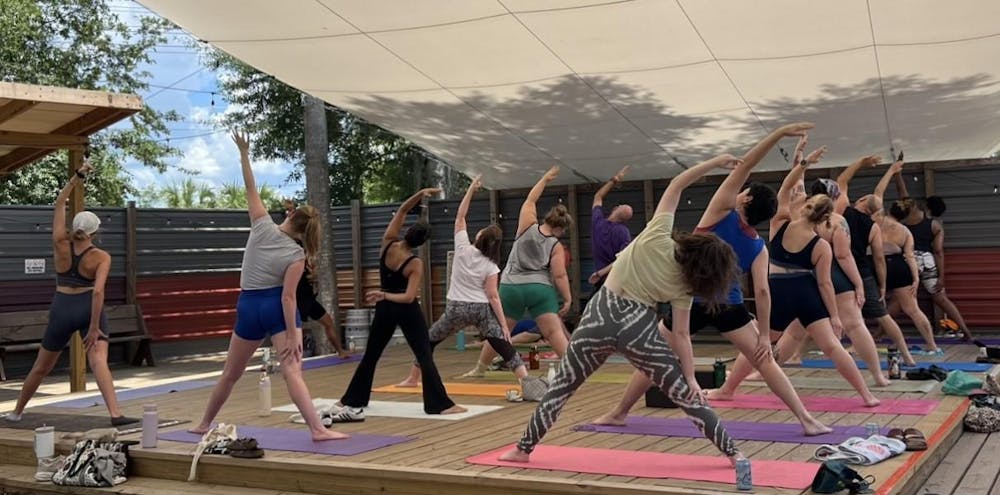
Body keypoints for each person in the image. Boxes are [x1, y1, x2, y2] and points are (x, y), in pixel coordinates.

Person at [499, 153, 748, 467]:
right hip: (638, 328)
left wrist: (714, 163)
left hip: (600, 315)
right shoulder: (686, 286)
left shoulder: (657, 234)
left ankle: (523, 449)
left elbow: (677, 184)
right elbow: (682, 336)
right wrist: (691, 379)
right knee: (684, 395)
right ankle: (733, 452)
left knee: (562, 388)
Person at [594, 123, 832, 436]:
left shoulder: (720, 211)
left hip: (688, 299)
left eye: (744, 192)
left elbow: (746, 164)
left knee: (655, 358)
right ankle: (806, 419)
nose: (741, 192)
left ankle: (618, 412)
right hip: (727, 306)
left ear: (745, 201)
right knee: (765, 362)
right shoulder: (758, 247)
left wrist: (778, 134)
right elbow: (761, 291)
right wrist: (763, 335)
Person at [190, 131, 346, 441]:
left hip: (248, 306)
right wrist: (291, 334)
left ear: (290, 216)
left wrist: (244, 154)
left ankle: (203, 423)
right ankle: (318, 429)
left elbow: (250, 186)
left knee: (230, 374)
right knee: (292, 372)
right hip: (276, 309)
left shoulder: (260, 223)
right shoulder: (297, 253)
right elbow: (289, 298)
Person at [722, 156, 881, 407]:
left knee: (758, 346)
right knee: (832, 347)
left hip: (779, 292)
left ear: (805, 206)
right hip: (807, 293)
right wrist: (835, 317)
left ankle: (728, 389)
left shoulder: (779, 223)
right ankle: (867, 395)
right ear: (825, 218)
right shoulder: (821, 246)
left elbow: (785, 189)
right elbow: (825, 285)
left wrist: (803, 165)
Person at [6, 162, 136, 426]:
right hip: (88, 306)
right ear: (95, 232)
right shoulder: (101, 257)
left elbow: (58, 204)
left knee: (42, 366)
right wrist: (93, 327)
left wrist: (77, 176)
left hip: (62, 306)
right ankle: (115, 414)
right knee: (98, 360)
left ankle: (17, 411)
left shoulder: (59, 242)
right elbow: (98, 291)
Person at [396, 177, 549, 399]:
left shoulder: (462, 248)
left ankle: (412, 379)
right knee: (503, 345)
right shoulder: (491, 265)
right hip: (481, 310)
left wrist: (471, 190)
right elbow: (493, 297)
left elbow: (460, 215)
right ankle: (525, 381)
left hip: (456, 308)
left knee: (429, 340)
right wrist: (504, 327)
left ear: (479, 237)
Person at [330, 188, 466, 422]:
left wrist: (420, 194)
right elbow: (409, 297)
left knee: (371, 354)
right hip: (404, 310)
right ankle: (439, 405)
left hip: (385, 309)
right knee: (424, 354)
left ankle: (351, 399)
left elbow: (403, 209)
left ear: (407, 232)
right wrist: (386, 296)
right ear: (422, 243)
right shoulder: (415, 263)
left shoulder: (387, 244)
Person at [770, 137, 889, 386]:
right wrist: (858, 284)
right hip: (831, 274)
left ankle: (763, 371)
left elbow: (794, 180)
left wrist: (800, 156)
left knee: (794, 330)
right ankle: (878, 376)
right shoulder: (837, 220)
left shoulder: (797, 207)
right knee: (855, 326)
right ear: (833, 199)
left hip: (800, 276)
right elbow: (844, 257)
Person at [464, 167, 573, 378]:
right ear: (560, 229)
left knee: (499, 331)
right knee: (553, 333)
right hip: (540, 289)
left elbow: (531, 200)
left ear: (547, 219)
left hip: (511, 286)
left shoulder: (526, 225)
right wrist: (567, 299)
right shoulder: (556, 245)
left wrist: (544, 179)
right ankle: (572, 371)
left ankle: (479, 369)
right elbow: (559, 276)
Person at [834, 156, 917, 366]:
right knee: (883, 316)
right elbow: (879, 260)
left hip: (840, 271)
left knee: (822, 313)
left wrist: (860, 163)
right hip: (863, 273)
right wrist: (882, 285)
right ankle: (906, 355)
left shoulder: (843, 211)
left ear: (861, 202)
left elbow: (842, 181)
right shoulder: (874, 227)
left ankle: (800, 353)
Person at [893, 174, 972, 340]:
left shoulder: (913, 212)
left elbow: (903, 192)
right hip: (928, 261)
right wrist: (941, 277)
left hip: (911, 258)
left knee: (900, 299)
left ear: (926, 204)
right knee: (941, 299)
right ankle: (966, 331)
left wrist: (897, 174)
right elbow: (938, 252)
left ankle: (878, 332)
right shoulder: (936, 226)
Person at [873, 163, 940, 353]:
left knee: (862, 306)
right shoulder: (905, 232)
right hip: (900, 268)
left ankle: (856, 343)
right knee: (913, 309)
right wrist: (916, 278)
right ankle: (932, 345)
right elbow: (910, 257)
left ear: (888, 210)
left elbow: (878, 191)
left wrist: (891, 171)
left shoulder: (877, 220)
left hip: (877, 266)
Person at [283, 201, 350, 359]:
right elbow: (291, 226)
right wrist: (290, 212)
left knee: (328, 322)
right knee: (292, 328)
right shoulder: (291, 244)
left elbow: (296, 224)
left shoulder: (299, 244)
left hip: (307, 295)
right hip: (296, 295)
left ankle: (340, 351)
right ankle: (289, 356)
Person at [588, 165, 633, 291]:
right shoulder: (624, 232)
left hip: (601, 283)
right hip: (617, 282)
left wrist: (615, 180)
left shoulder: (597, 222)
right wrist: (601, 273)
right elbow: (623, 259)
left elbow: (598, 196)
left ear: (615, 209)